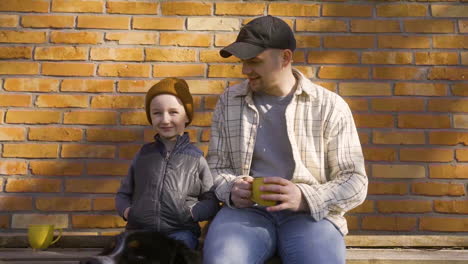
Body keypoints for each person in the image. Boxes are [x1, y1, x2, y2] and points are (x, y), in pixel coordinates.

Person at [203, 15, 368, 264]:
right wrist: (231, 188)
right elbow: (215, 167)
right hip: (245, 215)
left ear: (285, 57)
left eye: (254, 61)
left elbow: (355, 180)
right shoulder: (229, 101)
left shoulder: (329, 106)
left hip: (310, 216)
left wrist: (304, 197)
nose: (245, 70)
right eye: (242, 62)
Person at [115, 77, 219, 250]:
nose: (164, 119)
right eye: (157, 113)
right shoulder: (142, 155)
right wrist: (128, 212)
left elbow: (211, 200)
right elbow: (123, 194)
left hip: (180, 233)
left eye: (173, 112)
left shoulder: (196, 159)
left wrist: (192, 213)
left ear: (187, 116)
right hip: (140, 231)